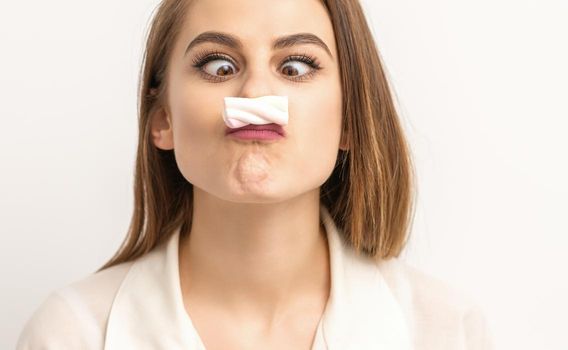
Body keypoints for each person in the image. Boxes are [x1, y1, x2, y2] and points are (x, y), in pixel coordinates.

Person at [16, 0, 493, 349]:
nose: (257, 93)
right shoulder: (70, 334)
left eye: (295, 65)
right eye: (219, 66)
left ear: (349, 120)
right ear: (163, 120)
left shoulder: (446, 330)